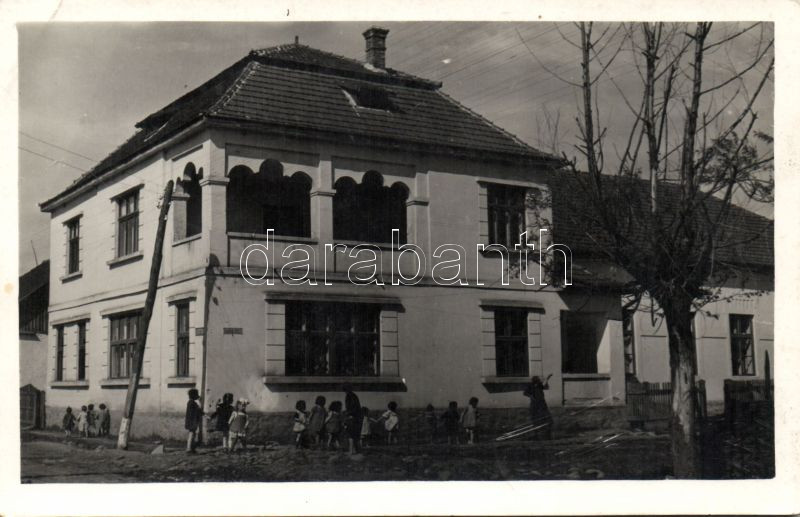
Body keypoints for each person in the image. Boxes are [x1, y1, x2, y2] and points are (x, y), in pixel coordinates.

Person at [523, 375, 553, 440]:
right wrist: (531, 396)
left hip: (542, 405)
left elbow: (546, 387)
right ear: (534, 381)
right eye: (538, 380)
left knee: (547, 419)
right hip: (535, 405)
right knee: (535, 421)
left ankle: (547, 436)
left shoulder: (539, 385)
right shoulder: (530, 386)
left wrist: (547, 380)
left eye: (539, 380)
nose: (539, 381)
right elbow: (525, 393)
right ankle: (536, 435)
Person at [343, 383, 362, 454]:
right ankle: (356, 450)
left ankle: (351, 451)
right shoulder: (354, 395)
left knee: (350, 435)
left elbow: (350, 407)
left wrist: (348, 414)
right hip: (357, 417)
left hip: (352, 417)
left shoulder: (348, 396)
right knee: (355, 435)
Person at [184, 388, 204, 453]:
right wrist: (200, 402)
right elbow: (199, 410)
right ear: (194, 396)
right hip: (192, 421)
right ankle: (189, 448)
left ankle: (191, 448)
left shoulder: (190, 402)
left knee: (192, 434)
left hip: (191, 421)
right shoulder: (192, 403)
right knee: (192, 434)